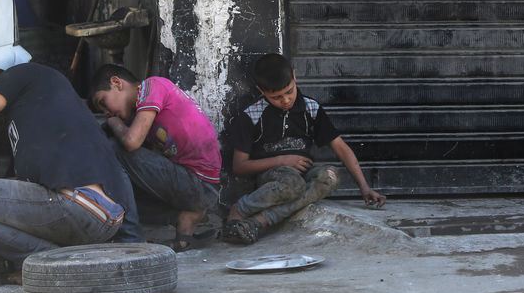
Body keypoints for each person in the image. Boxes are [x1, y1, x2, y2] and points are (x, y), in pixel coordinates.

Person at [0, 63, 142, 276]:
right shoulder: (44, 113)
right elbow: (20, 193)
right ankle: (61, 258)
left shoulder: (26, 75)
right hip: (103, 218)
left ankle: (47, 261)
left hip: (79, 203)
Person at [221, 54, 385, 245]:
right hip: (273, 178)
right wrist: (283, 161)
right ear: (261, 91)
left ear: (294, 76)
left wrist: (364, 188)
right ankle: (239, 210)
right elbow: (240, 167)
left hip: (302, 176)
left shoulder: (311, 108)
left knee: (329, 176)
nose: (285, 100)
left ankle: (258, 222)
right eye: (276, 97)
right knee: (293, 184)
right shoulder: (252, 115)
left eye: (290, 91)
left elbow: (341, 148)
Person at [89, 64, 222, 251]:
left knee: (115, 149)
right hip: (197, 187)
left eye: (103, 102)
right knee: (118, 193)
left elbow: (131, 142)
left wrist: (112, 122)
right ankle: (184, 228)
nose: (107, 112)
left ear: (117, 83)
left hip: (199, 184)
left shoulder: (152, 86)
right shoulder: (142, 110)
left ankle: (132, 238)